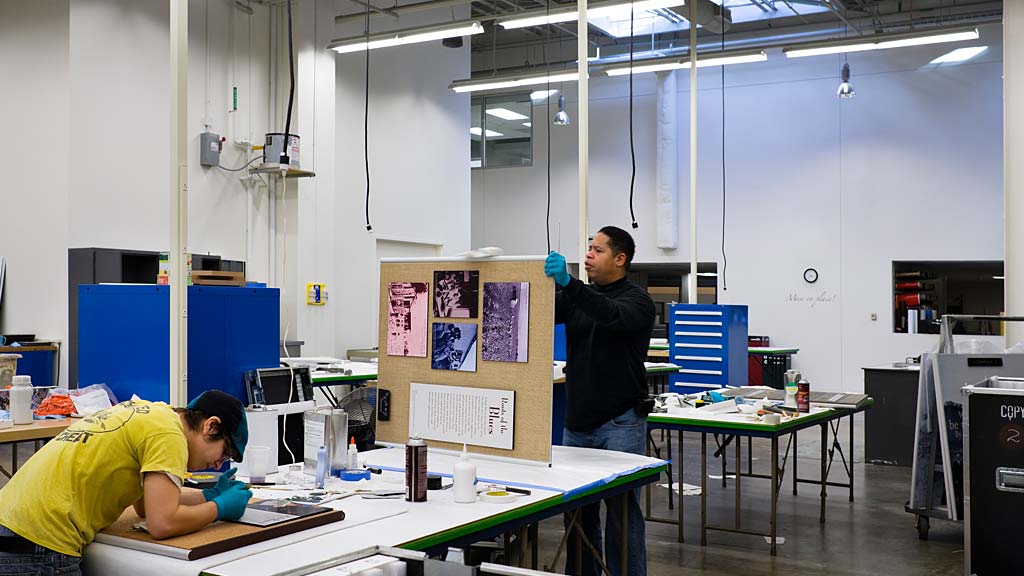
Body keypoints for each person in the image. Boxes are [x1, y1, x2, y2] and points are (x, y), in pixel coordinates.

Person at [0, 390, 253, 575]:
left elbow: (145, 506)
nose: (219, 464)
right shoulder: (170, 436)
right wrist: (219, 507)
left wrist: (209, 496)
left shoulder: (152, 415)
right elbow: (162, 523)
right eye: (224, 453)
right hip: (39, 546)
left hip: (12, 526)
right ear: (211, 426)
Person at [545, 226, 656, 576]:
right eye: (588, 248)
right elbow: (541, 311)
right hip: (578, 424)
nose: (589, 255)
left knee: (622, 516)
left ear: (620, 259)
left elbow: (610, 314)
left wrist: (570, 283)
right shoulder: (578, 297)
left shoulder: (637, 301)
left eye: (597, 250)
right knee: (578, 515)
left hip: (620, 422)